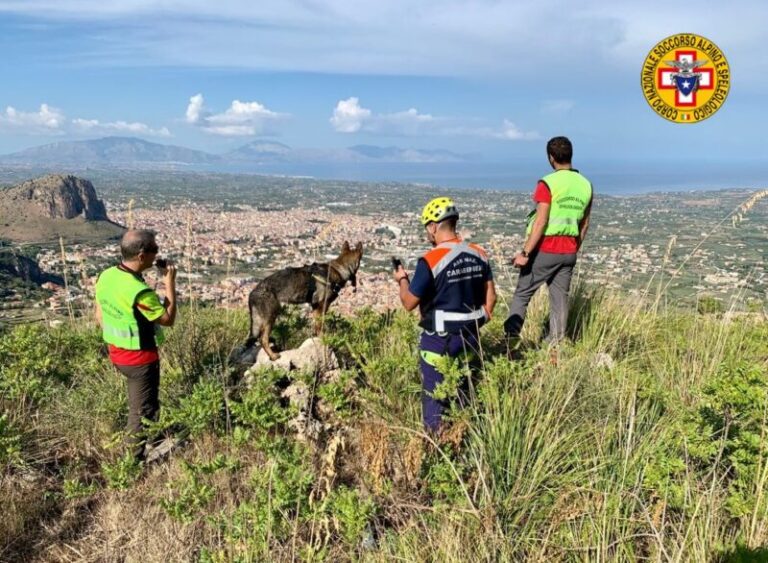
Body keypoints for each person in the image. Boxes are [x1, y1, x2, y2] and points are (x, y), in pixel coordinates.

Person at [393, 197, 496, 432]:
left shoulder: (430, 261)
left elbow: (409, 302)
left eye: (427, 228)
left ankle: (436, 450)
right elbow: (491, 298)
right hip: (471, 337)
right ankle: (465, 437)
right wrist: (483, 318)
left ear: (433, 226)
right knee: (464, 394)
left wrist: (402, 280)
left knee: (435, 399)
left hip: (438, 340)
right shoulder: (479, 253)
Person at [94, 229, 177, 461]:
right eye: (155, 250)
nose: (157, 254)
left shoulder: (107, 275)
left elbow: (99, 314)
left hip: (117, 352)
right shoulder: (139, 291)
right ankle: (133, 464)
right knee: (139, 413)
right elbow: (168, 319)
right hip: (140, 360)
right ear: (142, 256)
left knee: (147, 402)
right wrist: (169, 284)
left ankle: (155, 438)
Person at [504, 136, 592, 347]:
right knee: (559, 300)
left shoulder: (547, 183)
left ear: (551, 158)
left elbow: (541, 221)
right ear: (570, 155)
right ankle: (556, 347)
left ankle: (509, 344)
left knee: (522, 294)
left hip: (545, 249)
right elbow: (585, 224)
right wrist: (573, 248)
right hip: (569, 250)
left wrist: (525, 253)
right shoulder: (586, 184)